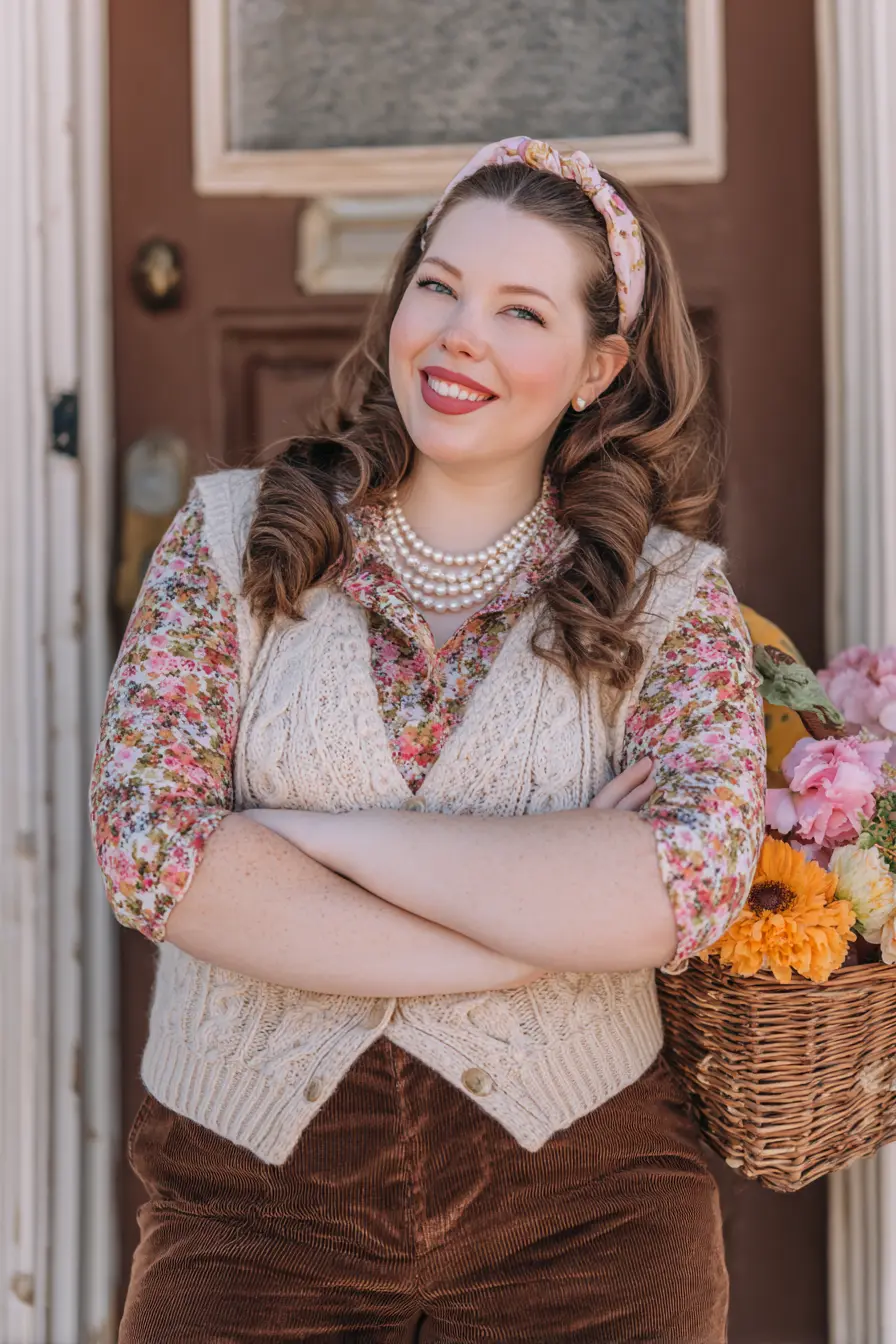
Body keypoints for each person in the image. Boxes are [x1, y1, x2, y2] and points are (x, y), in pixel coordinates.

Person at [91, 136, 766, 1343]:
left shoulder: (667, 599)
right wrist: (525, 935)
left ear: (595, 366)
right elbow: (149, 852)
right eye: (438, 284)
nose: (459, 332)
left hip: (586, 1218)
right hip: (247, 1213)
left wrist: (284, 834)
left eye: (519, 310)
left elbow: (686, 883)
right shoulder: (230, 540)